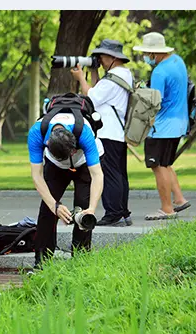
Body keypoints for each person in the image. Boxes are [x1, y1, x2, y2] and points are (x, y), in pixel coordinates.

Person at [28, 108, 104, 269]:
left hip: (84, 163)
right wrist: (54, 205)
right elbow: (37, 176)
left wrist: (91, 209)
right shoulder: (36, 133)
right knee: (47, 210)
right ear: (47, 144)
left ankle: (80, 261)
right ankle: (41, 263)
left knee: (83, 208)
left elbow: (97, 175)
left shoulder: (83, 132)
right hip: (55, 166)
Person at [71, 38, 134, 227]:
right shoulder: (123, 74)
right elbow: (99, 91)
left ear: (111, 57)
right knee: (120, 173)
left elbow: (91, 98)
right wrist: (93, 71)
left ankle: (113, 213)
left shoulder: (113, 78)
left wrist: (81, 78)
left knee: (110, 174)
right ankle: (122, 212)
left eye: (101, 57)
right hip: (117, 132)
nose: (100, 59)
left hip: (108, 133)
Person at [133, 32, 191, 220]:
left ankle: (166, 208)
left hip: (162, 127)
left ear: (154, 53)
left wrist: (140, 92)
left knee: (157, 166)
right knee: (166, 164)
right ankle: (179, 199)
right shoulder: (178, 62)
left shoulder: (159, 71)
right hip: (179, 122)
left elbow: (154, 102)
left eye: (147, 53)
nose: (146, 57)